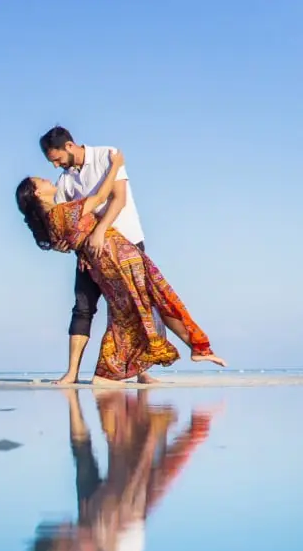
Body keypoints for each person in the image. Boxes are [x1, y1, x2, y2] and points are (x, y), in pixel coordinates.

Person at [19, 390, 218, 551]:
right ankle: (138, 411)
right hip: (124, 531)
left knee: (140, 469)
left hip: (99, 522)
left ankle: (141, 412)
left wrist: (69, 544)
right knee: (136, 465)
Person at [15, 150, 226, 382]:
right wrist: (115, 166)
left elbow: (69, 243)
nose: (48, 179)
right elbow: (102, 196)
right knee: (156, 300)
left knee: (130, 311)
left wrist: (83, 249)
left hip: (103, 262)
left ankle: (132, 367)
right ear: (37, 192)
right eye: (41, 181)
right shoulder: (62, 212)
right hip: (120, 256)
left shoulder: (50, 223)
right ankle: (193, 349)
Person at [39, 127, 150, 384]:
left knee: (133, 307)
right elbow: (68, 219)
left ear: (69, 146)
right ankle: (72, 372)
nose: (56, 167)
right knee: (82, 308)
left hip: (127, 242)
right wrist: (73, 246)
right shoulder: (66, 180)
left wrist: (100, 230)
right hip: (90, 253)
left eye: (56, 159)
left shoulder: (107, 156)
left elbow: (118, 199)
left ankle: (142, 372)